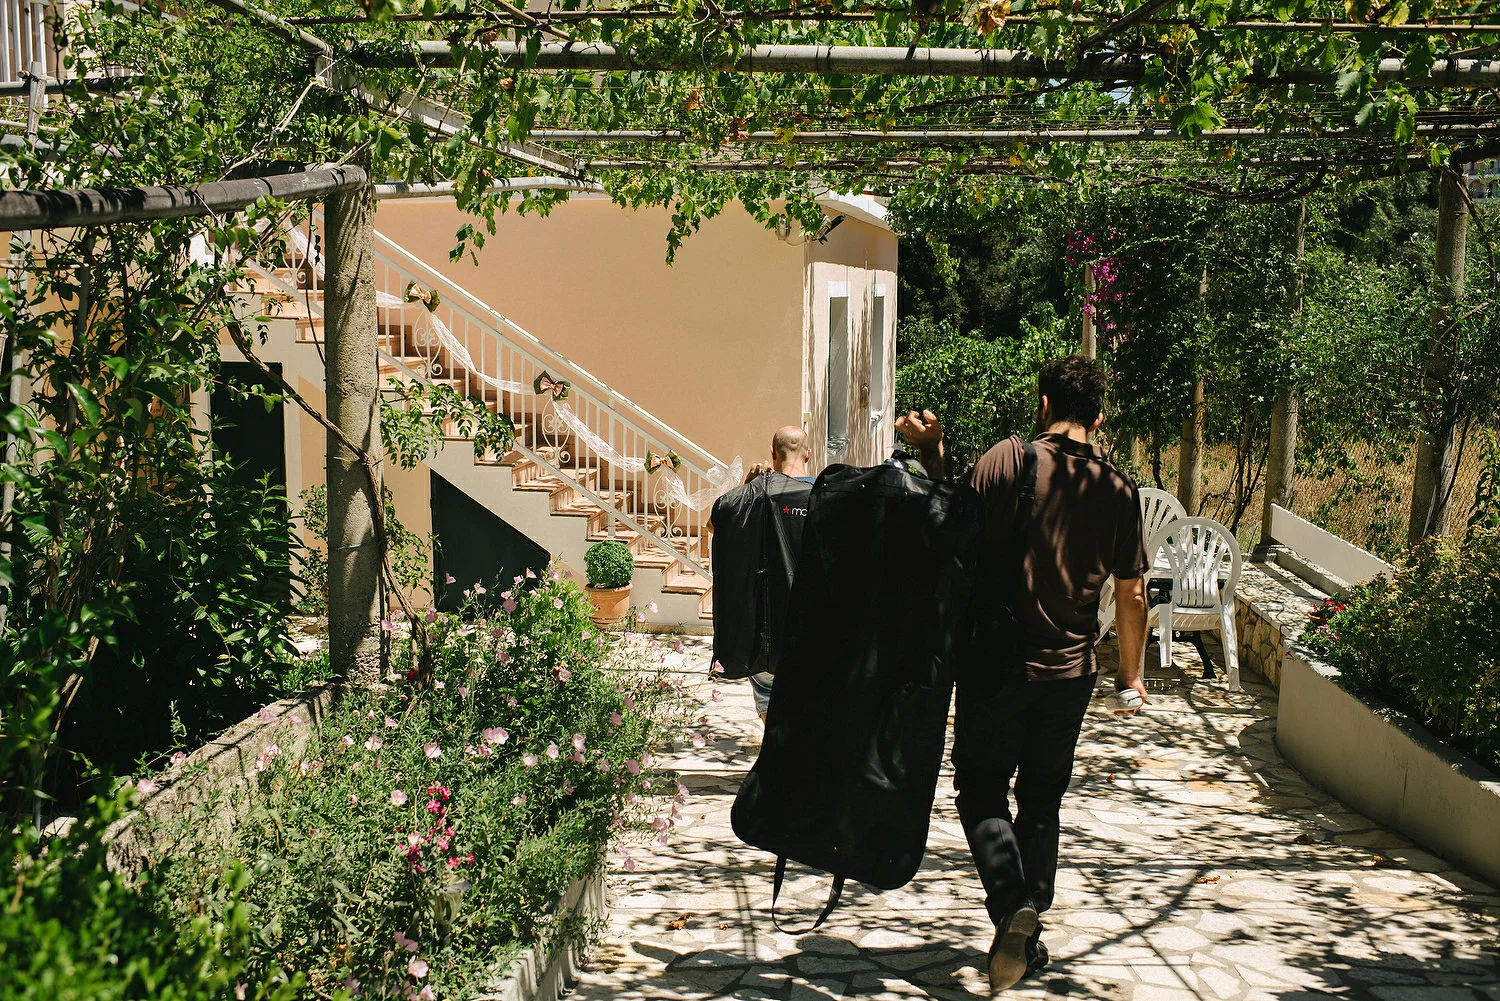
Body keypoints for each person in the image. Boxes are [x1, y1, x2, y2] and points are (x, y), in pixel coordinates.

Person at [897, 356, 1150, 994]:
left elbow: (953, 523)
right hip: (1071, 672)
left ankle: (1012, 905)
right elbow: (1132, 595)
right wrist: (1131, 677)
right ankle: (1026, 936)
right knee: (1042, 800)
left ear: (1042, 406)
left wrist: (932, 452)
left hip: (995, 663)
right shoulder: (1120, 491)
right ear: (1098, 417)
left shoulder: (1007, 460)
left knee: (981, 790)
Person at [709, 426, 816, 720]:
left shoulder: (754, 494)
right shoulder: (821, 497)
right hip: (808, 631)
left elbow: (717, 523)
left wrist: (747, 485)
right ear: (808, 454)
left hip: (763, 635)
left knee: (771, 707)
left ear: (772, 453)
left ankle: (777, 757)